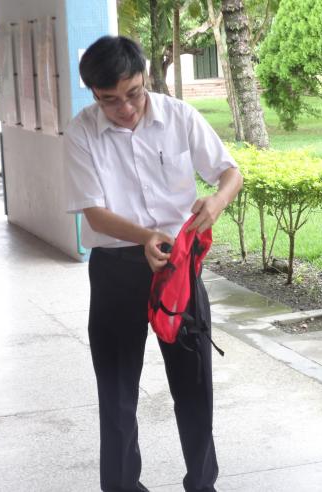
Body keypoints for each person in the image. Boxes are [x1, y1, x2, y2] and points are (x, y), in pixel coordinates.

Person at [63, 35, 243, 492]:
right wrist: (145, 237)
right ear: (93, 93)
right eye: (109, 100)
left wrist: (217, 200)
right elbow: (94, 213)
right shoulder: (81, 132)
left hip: (178, 268)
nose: (125, 108)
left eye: (134, 93)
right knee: (117, 391)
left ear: (145, 78)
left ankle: (202, 484)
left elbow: (230, 172)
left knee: (194, 384)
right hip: (116, 269)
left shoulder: (179, 116)